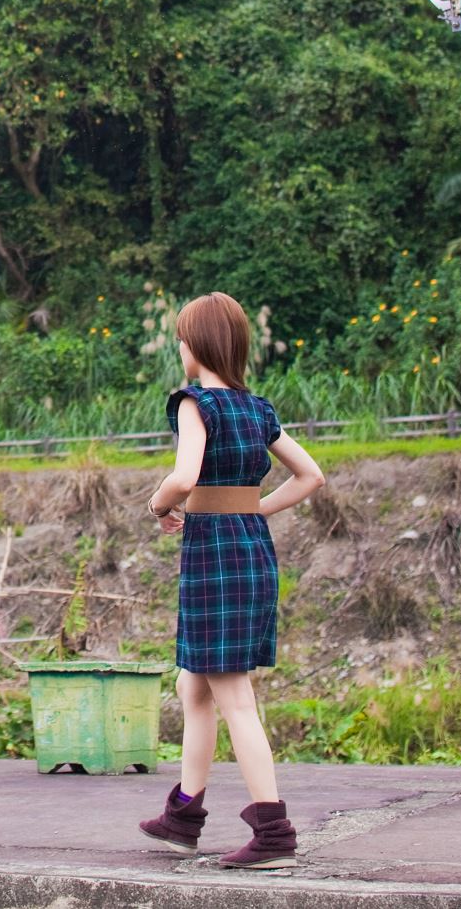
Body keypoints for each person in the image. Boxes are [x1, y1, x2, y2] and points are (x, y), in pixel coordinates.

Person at [137, 292, 326, 871]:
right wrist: (252, 509)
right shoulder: (256, 408)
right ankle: (183, 815)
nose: (179, 347)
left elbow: (185, 475)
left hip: (215, 557)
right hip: (249, 551)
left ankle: (273, 833)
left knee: (234, 698)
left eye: (182, 338)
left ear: (196, 347)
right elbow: (310, 475)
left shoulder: (195, 404)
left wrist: (158, 503)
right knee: (193, 687)